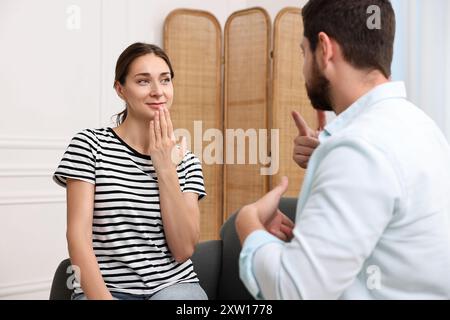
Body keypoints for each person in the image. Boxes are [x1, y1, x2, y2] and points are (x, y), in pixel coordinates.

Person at [236, 0, 450, 299]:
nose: (302, 66)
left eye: (303, 51)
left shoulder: (357, 149)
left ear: (324, 49)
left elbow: (295, 291)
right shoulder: (423, 127)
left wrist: (249, 225)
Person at [53, 43, 207, 300]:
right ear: (120, 89)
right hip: (107, 290)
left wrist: (165, 168)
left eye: (165, 80)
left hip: (174, 288)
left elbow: (182, 250)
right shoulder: (90, 146)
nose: (158, 92)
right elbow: (77, 236)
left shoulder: (188, 161)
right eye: (143, 81)